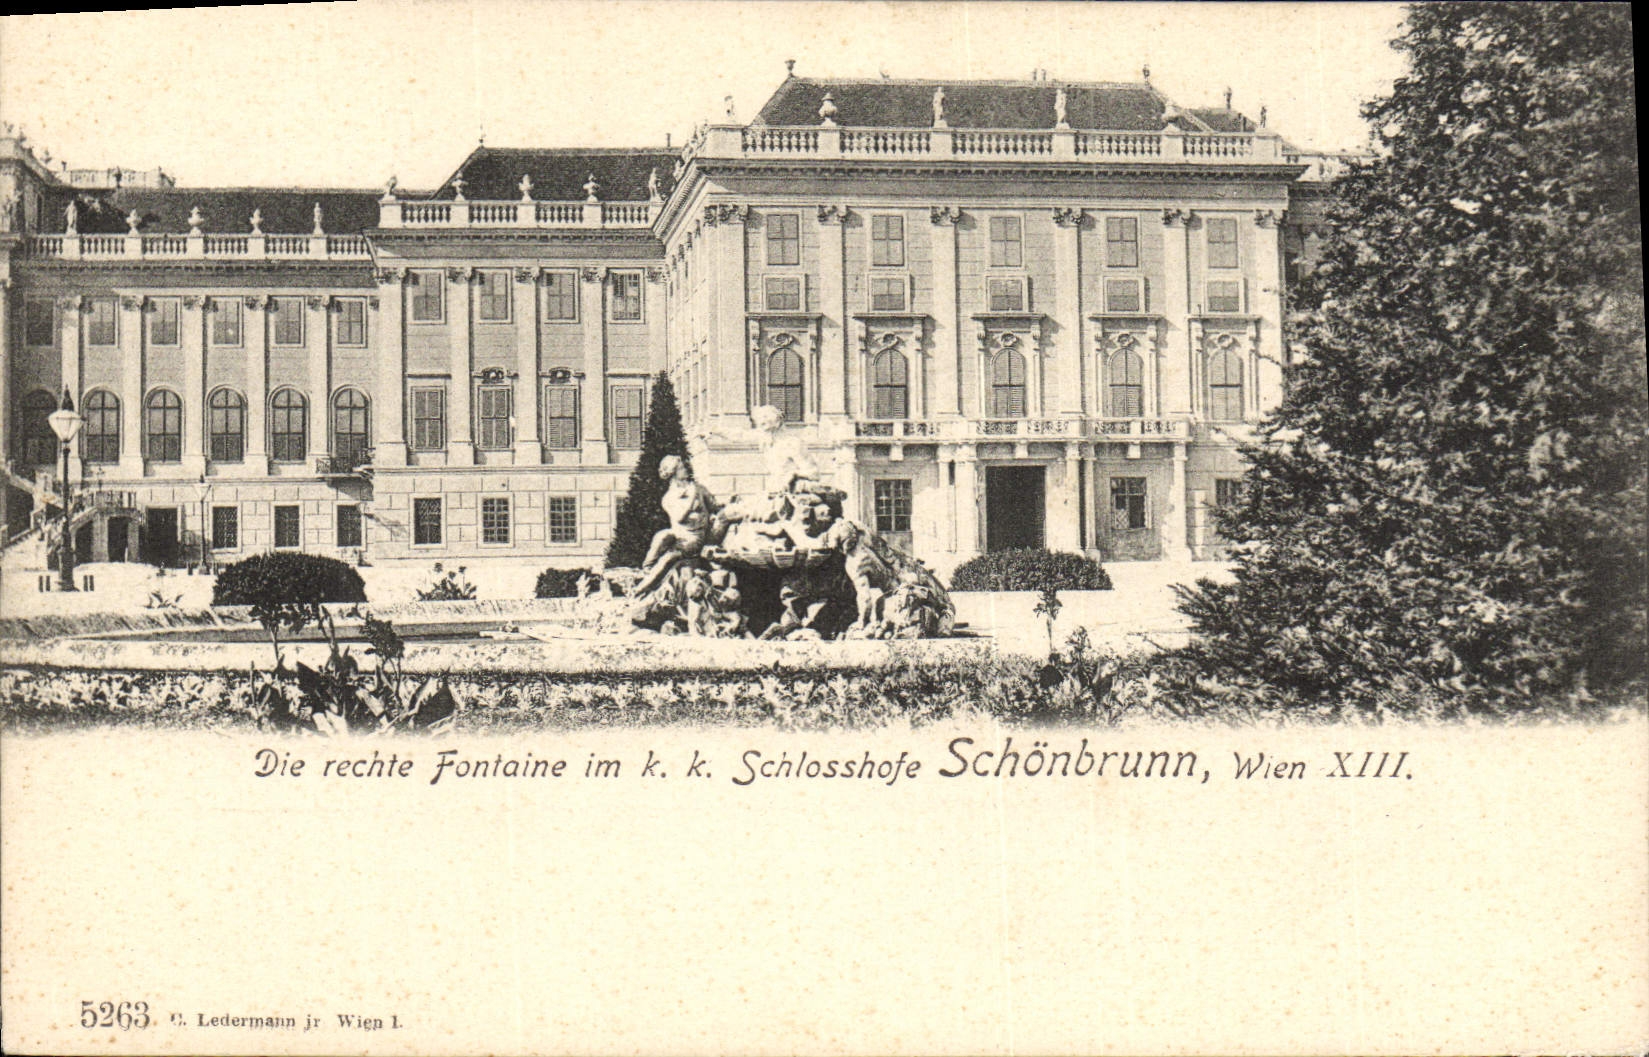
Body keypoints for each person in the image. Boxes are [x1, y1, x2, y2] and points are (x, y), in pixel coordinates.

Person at [633, 455, 721, 596]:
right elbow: (679, 518)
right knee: (662, 535)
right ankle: (647, 567)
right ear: (673, 472)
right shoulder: (669, 497)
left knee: (669, 557)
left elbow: (715, 507)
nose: (686, 469)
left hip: (694, 538)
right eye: (681, 468)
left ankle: (641, 588)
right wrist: (692, 498)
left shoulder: (699, 489)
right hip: (679, 534)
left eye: (685, 467)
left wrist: (716, 512)